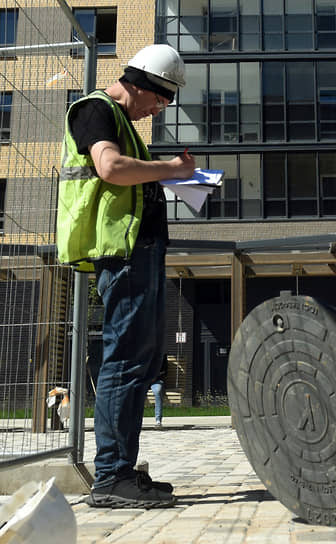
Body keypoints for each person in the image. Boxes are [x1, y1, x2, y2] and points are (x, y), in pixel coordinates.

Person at [57, 43, 195, 509]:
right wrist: (172, 169)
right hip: (123, 253)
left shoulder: (124, 124)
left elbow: (125, 174)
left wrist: (169, 179)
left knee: (140, 359)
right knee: (124, 359)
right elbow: (110, 168)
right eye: (160, 98)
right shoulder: (95, 110)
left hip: (140, 252)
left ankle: (121, 471)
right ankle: (112, 476)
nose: (160, 108)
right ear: (140, 83)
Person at [150, 356, 169, 428]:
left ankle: (158, 420)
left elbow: (164, 371)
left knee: (158, 391)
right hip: (144, 381)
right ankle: (135, 421)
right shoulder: (143, 353)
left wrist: (155, 376)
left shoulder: (162, 356)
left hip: (156, 380)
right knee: (136, 391)